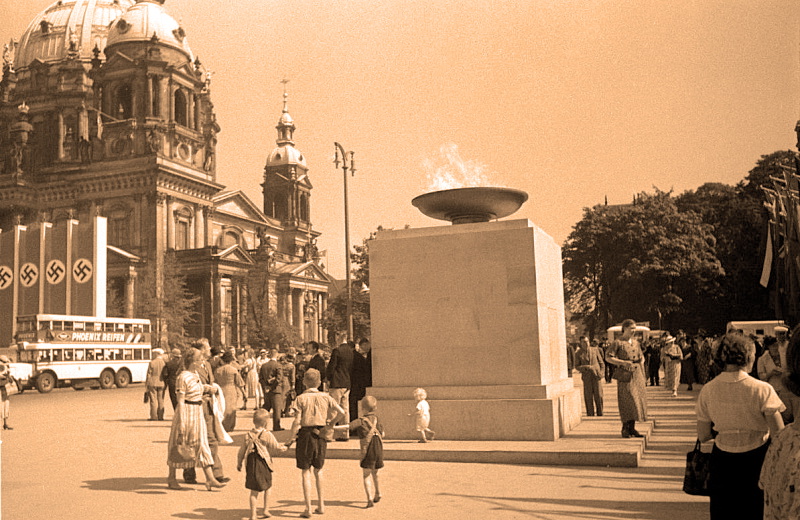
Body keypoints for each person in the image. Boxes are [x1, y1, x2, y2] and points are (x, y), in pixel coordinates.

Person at [696, 332, 785, 520]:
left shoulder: (708, 389)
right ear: (749, 357)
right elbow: (779, 434)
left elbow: (703, 435)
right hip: (757, 459)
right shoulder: (762, 389)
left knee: (724, 512)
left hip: (723, 461)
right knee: (755, 511)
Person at [166, 347, 226, 491]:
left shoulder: (194, 374)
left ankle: (210, 478)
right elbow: (180, 400)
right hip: (186, 412)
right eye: (199, 359)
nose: (201, 361)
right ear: (192, 361)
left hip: (197, 412)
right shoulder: (182, 377)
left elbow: (197, 387)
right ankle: (171, 478)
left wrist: (208, 388)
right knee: (178, 445)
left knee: (202, 444)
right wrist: (181, 422)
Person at [289, 368, 346, 518]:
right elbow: (342, 412)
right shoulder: (326, 397)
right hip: (320, 434)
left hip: (306, 435)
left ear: (304, 382)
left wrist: (290, 438)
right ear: (320, 382)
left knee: (305, 471)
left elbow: (296, 421)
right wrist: (331, 424)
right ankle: (321, 504)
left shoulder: (300, 398)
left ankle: (307, 507)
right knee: (319, 470)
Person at [183, 338, 229, 485]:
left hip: (208, 407)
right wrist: (206, 389)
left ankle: (217, 474)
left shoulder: (208, 364)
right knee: (192, 440)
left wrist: (213, 389)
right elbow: (185, 385)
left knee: (211, 440)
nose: (210, 349)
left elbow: (210, 381)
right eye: (208, 347)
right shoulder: (190, 366)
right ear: (201, 350)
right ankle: (189, 473)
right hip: (195, 406)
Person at [236, 409, 289, 520]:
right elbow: (276, 446)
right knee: (267, 487)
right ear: (266, 423)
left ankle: (253, 515)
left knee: (253, 491)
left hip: (251, 464)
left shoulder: (248, 435)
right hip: (263, 463)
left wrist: (239, 463)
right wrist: (284, 447)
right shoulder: (267, 434)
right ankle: (266, 509)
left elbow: (241, 451)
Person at [333, 395, 384, 508]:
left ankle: (369, 498)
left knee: (366, 475)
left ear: (362, 409)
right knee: (376, 472)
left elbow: (348, 427)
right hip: (378, 448)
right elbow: (383, 433)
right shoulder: (377, 419)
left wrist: (333, 427)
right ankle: (378, 492)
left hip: (368, 449)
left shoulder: (361, 421)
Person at [605, 319, 647, 438]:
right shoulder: (618, 343)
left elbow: (641, 356)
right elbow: (608, 357)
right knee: (626, 400)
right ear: (624, 329)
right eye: (631, 329)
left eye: (634, 328)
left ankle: (632, 428)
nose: (633, 331)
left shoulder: (636, 342)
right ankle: (625, 428)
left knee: (636, 400)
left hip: (637, 373)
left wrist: (641, 363)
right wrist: (623, 362)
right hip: (625, 375)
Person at [327, 341, 354, 440]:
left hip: (336, 382)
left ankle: (329, 434)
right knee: (345, 409)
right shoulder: (351, 352)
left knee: (333, 408)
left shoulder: (337, 351)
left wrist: (329, 377)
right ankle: (344, 433)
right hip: (347, 383)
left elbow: (332, 366)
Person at [574, 336, 605, 416]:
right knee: (588, 396)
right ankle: (590, 413)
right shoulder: (578, 353)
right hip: (586, 377)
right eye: (584, 342)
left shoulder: (595, 350)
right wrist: (586, 367)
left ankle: (600, 413)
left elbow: (601, 363)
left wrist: (601, 373)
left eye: (587, 341)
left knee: (599, 395)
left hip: (596, 376)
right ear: (580, 343)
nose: (586, 343)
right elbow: (577, 366)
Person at [260, 347, 289, 431]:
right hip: (276, 390)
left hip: (266, 390)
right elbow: (279, 378)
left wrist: (265, 386)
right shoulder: (278, 365)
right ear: (276, 355)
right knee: (277, 409)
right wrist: (272, 387)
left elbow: (260, 378)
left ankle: (261, 425)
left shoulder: (264, 366)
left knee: (266, 407)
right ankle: (276, 426)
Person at [215, 351, 244, 432]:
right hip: (231, 390)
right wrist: (243, 393)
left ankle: (222, 426)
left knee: (222, 408)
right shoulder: (233, 370)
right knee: (231, 409)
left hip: (220, 390)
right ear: (231, 361)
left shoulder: (218, 370)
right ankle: (230, 427)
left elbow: (215, 382)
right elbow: (240, 383)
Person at [350, 338, 372, 424]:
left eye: (362, 347)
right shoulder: (361, 356)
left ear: (366, 344)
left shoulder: (356, 356)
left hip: (358, 384)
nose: (362, 349)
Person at [145, 348, 167, 421]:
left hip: (152, 382)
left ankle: (153, 416)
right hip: (161, 383)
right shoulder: (164, 363)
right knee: (161, 399)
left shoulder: (152, 362)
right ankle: (161, 416)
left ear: (157, 354)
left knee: (153, 400)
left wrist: (147, 384)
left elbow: (149, 374)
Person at [0, 355, 15, 430]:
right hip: (3, 388)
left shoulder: (5, 366)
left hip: (4, 388)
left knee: (5, 405)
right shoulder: (2, 366)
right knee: (3, 405)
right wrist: (6, 376)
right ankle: (5, 424)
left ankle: (5, 424)